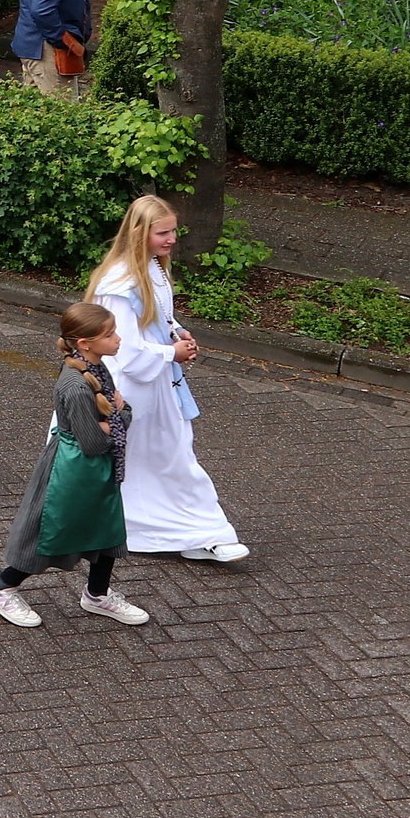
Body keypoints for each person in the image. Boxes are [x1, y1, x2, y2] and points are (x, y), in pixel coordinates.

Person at [88, 195, 248, 562]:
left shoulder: (154, 269)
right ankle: (180, 532)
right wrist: (170, 353)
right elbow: (125, 350)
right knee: (144, 460)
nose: (172, 239)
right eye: (163, 232)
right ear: (139, 233)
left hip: (156, 384)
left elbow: (159, 314)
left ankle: (204, 532)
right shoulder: (119, 284)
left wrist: (178, 332)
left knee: (171, 456)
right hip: (129, 389)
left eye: (174, 230)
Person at [0, 302, 151, 628]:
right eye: (109, 334)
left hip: (96, 469)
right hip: (71, 470)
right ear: (85, 343)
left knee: (107, 529)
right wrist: (121, 415)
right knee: (49, 533)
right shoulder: (75, 385)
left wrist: (113, 420)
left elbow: (107, 424)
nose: (118, 339)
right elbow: (93, 442)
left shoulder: (96, 366)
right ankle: (0, 588)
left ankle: (97, 594)